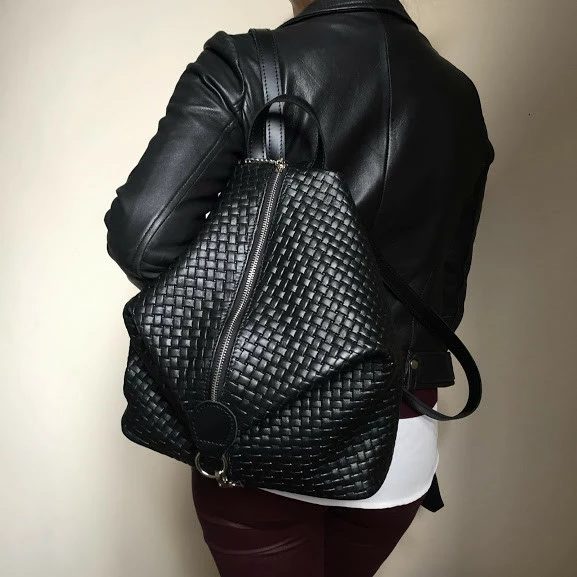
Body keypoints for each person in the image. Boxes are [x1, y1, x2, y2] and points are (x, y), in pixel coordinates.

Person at [103, 0, 495, 575]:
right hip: (402, 437)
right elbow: (450, 278)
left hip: (262, 426)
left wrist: (262, 325)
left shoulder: (248, 65)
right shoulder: (459, 96)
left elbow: (142, 238)